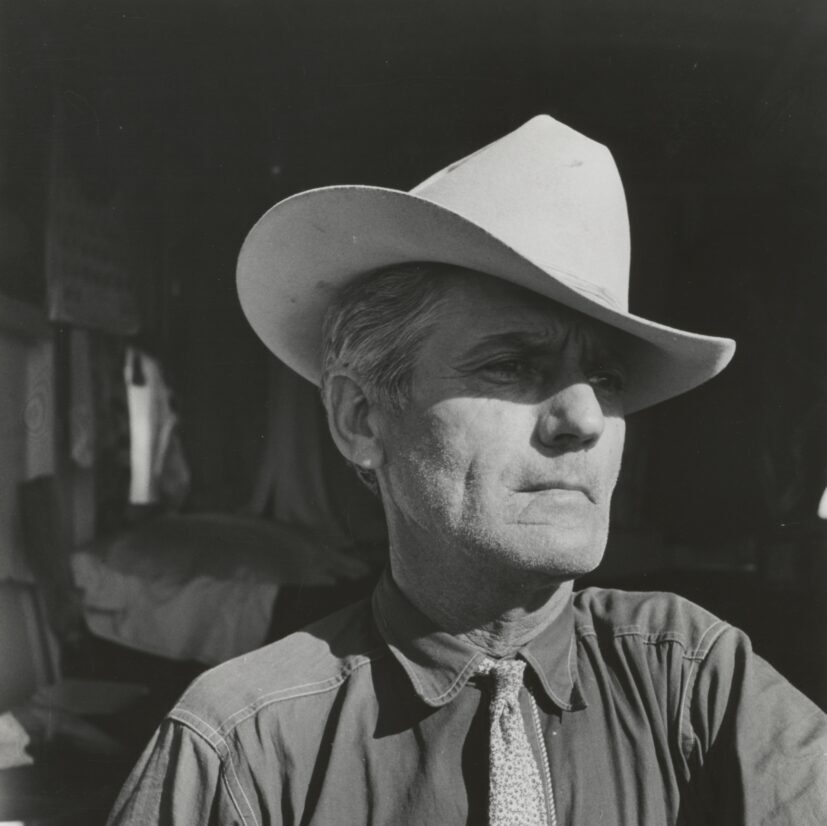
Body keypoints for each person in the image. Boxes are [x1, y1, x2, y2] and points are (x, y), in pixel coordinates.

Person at [106, 115, 827, 825]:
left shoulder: (691, 678)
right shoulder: (243, 749)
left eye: (606, 379)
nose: (582, 419)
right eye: (513, 366)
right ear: (360, 419)